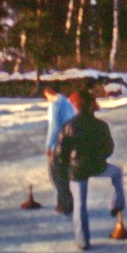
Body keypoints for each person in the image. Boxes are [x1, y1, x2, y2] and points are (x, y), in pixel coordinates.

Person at [58, 90, 126, 251]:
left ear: (77, 107)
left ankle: (83, 241)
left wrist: (65, 171)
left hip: (76, 170)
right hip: (98, 166)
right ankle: (117, 203)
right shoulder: (101, 125)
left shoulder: (68, 126)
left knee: (80, 205)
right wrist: (98, 158)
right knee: (116, 172)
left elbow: (61, 153)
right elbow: (109, 149)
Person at [43, 86, 76, 214]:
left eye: (46, 96)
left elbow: (54, 127)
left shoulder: (55, 105)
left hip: (59, 145)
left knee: (56, 175)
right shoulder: (67, 103)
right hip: (70, 143)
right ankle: (65, 203)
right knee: (63, 174)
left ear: (49, 93)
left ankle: (65, 204)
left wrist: (49, 146)